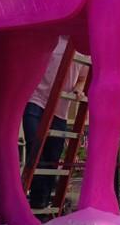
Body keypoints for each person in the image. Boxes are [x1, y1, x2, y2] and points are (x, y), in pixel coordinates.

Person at [23, 36, 87, 212]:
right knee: (35, 148)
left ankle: (43, 204)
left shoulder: (83, 50)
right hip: (36, 100)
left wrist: (78, 90)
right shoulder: (52, 39)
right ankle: (37, 202)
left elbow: (82, 78)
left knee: (52, 158)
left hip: (60, 110)